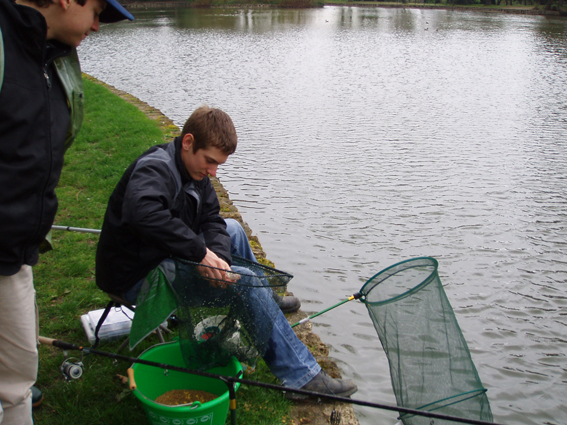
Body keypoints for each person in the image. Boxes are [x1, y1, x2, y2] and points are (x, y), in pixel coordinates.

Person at [95, 106, 358, 399]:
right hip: (136, 275)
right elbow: (141, 213)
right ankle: (302, 378)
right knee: (245, 283)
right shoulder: (155, 168)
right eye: (209, 161)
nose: (213, 172)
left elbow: (212, 221)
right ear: (187, 142)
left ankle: (266, 300)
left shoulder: (195, 172)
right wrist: (200, 254)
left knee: (232, 228)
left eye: (218, 165)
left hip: (162, 256)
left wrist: (219, 261)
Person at [0, 0, 133, 423]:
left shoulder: (55, 58)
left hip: (17, 254)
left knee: (17, 382)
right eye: (95, 10)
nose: (96, 25)